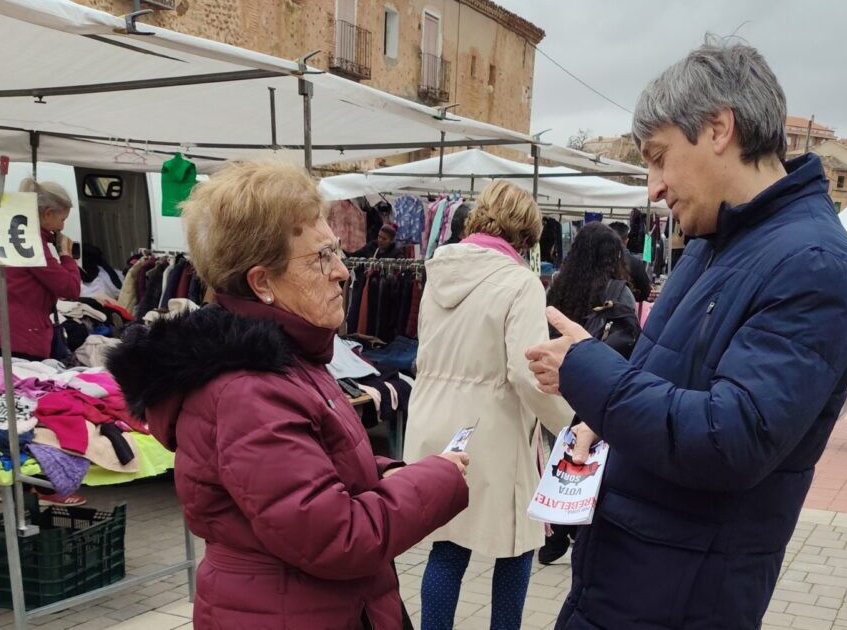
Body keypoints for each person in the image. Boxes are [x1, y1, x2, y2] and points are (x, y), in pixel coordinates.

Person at [524, 37, 847, 629]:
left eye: (658, 156)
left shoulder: (813, 265)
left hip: (683, 596)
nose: (652, 187)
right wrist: (601, 423)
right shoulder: (715, 244)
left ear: (717, 128)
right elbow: (670, 385)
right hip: (637, 574)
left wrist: (586, 371)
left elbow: (729, 438)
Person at [107, 161, 470, 629]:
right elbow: (337, 535)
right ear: (262, 283)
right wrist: (437, 481)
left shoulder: (288, 358)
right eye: (322, 257)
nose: (343, 271)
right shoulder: (248, 390)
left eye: (338, 252)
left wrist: (404, 472)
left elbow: (319, 466)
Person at [403, 181, 575, 630]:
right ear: (527, 236)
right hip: (494, 432)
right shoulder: (520, 282)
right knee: (517, 544)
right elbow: (526, 370)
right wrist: (570, 421)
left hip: (434, 426)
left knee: (449, 544)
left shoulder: (438, 271)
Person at [538, 222, 641, 565]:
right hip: (598, 382)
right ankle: (581, 528)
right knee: (590, 458)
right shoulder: (617, 289)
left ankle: (556, 531)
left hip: (557, 383)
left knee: (559, 454)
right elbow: (629, 341)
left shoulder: (558, 287)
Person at [0, 178, 81, 361]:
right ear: (48, 214)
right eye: (62, 219)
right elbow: (70, 288)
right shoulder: (32, 244)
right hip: (22, 337)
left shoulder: (14, 232)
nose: (62, 227)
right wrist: (66, 255)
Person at [609, 220, 654, 302]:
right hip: (626, 309)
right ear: (627, 240)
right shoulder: (635, 263)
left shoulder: (595, 260)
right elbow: (645, 293)